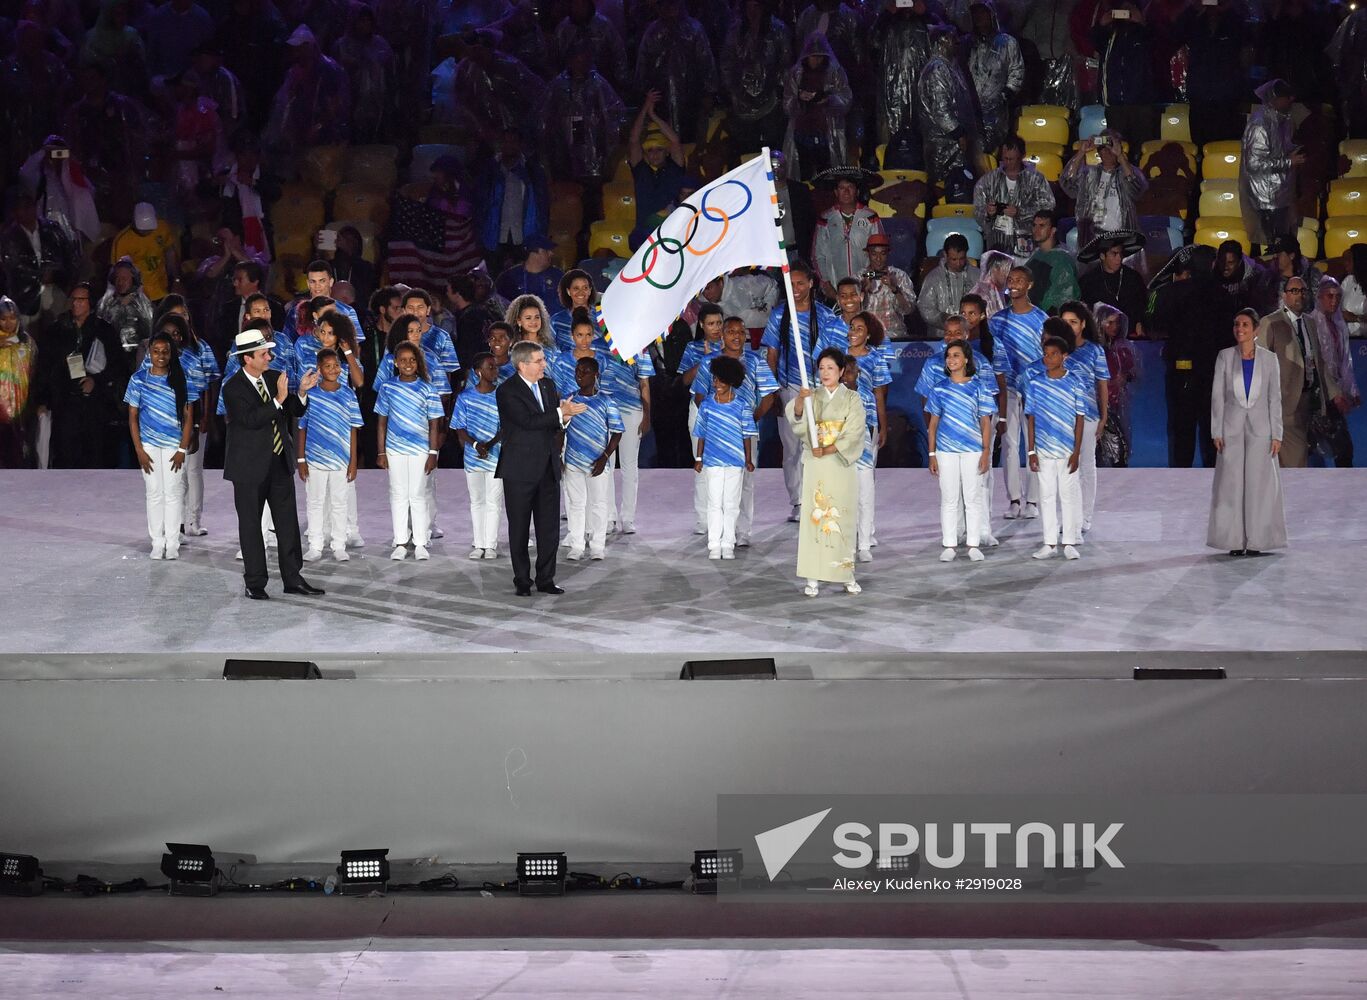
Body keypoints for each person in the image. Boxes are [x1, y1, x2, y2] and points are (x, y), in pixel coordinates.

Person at [222, 327, 323, 600]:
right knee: (252, 526)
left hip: (279, 463)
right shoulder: (232, 388)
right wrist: (279, 399)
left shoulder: (274, 377)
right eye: (264, 353)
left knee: (287, 524)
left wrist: (300, 392)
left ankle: (293, 578)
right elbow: (250, 420)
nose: (270, 357)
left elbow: (294, 409)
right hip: (249, 468)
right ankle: (255, 582)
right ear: (247, 358)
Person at [497, 340, 588, 596]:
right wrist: (560, 413)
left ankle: (546, 579)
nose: (544, 365)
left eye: (543, 360)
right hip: (520, 471)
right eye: (539, 361)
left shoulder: (548, 385)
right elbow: (527, 421)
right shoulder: (507, 391)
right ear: (523, 364)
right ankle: (522, 581)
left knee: (549, 529)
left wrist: (565, 419)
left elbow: (551, 424)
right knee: (519, 527)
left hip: (547, 467)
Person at [762, 261, 849, 520]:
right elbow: (772, 354)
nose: (796, 288)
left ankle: (819, 498)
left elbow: (836, 355)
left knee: (819, 446)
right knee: (791, 448)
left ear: (811, 283)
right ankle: (798, 501)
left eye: (801, 283)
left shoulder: (825, 316)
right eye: (791, 284)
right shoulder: (779, 315)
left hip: (820, 389)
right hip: (790, 389)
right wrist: (774, 391)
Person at [691, 316, 779, 548]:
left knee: (746, 481)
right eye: (731, 331)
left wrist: (752, 419)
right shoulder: (709, 362)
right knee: (716, 483)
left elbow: (769, 395)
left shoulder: (755, 361)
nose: (737, 336)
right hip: (717, 435)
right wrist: (715, 419)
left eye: (741, 332)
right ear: (722, 335)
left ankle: (742, 531)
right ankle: (717, 531)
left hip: (745, 434)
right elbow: (699, 395)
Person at [786, 347, 866, 596]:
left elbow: (854, 432)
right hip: (816, 463)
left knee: (841, 517)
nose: (825, 373)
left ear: (842, 371)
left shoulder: (852, 399)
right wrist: (800, 400)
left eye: (830, 368)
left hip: (839, 462)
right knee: (815, 518)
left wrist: (830, 448)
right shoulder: (812, 397)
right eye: (821, 368)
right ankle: (813, 577)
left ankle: (846, 574)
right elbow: (798, 422)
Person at [1208, 308, 1287, 555]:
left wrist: (1277, 434)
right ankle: (1233, 541)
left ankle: (1257, 541)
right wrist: (1216, 431)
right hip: (1231, 430)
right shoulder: (1224, 357)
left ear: (1255, 330)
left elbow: (1275, 399)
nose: (1239, 329)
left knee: (1260, 486)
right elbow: (1218, 397)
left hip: (1261, 430)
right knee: (1231, 485)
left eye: (1244, 325)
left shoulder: (1269, 359)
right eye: (1236, 324)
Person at [1149, 245, 1235, 468]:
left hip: (1181, 372)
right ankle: (1214, 484)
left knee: (1181, 431)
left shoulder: (1172, 291)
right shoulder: (1224, 295)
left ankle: (1180, 483)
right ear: (1212, 264)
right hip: (1212, 374)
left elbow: (1155, 323)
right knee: (1211, 431)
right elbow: (1230, 337)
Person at [33, 283, 124, 469]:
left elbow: (118, 366)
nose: (76, 303)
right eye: (73, 299)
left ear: (90, 303)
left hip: (95, 406)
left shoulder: (104, 331)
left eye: (81, 300)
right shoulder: (57, 330)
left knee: (94, 457)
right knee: (65, 456)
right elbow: (45, 366)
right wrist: (42, 400)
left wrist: (96, 381)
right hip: (65, 403)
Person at [125, 330, 196, 558]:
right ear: (149, 353)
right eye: (156, 352)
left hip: (174, 446)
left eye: (165, 352)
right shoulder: (138, 380)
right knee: (154, 493)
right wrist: (139, 450)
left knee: (174, 493)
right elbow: (133, 417)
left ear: (171, 353)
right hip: (149, 446)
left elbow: (188, 418)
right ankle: (157, 542)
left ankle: (173, 543)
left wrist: (182, 449)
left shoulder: (180, 379)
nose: (161, 356)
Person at [926, 339, 995, 563]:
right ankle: (949, 545)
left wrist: (985, 452)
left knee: (973, 497)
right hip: (946, 451)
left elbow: (985, 422)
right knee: (949, 498)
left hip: (972, 450)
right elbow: (933, 424)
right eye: (949, 356)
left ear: (966, 359)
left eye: (956, 355)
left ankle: (973, 544)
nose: (951, 359)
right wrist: (932, 454)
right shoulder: (939, 388)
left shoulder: (979, 387)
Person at [374, 341, 443, 561]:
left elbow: (434, 424)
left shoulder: (427, 388)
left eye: (412, 360)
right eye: (403, 360)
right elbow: (382, 422)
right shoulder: (387, 388)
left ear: (418, 362)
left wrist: (433, 453)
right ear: (395, 362)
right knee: (398, 494)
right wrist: (381, 452)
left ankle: (421, 542)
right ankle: (401, 541)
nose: (407, 364)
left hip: (420, 449)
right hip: (394, 449)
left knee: (418, 494)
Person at [1025, 323, 1086, 561]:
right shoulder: (1036, 383)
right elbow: (1031, 418)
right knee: (1046, 496)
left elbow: (1079, 420)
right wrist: (1031, 451)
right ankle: (1049, 542)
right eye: (1046, 354)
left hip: (1066, 449)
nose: (1048, 358)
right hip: (1043, 450)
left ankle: (1069, 541)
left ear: (1064, 356)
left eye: (1053, 354)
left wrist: (1076, 451)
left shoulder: (1075, 383)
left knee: (1067, 495)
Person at [991, 266, 1046, 519]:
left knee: (1033, 445)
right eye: (1011, 280)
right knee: (1010, 445)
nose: (1013, 284)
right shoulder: (997, 321)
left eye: (1019, 280)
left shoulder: (1042, 320)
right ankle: (1014, 499)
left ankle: (1033, 501)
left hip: (1034, 391)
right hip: (1008, 391)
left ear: (1029, 285)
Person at [297, 348, 362, 563]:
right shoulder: (311, 395)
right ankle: (315, 545)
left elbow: (353, 429)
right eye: (327, 366)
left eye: (336, 365)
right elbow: (302, 427)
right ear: (319, 369)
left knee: (339, 502)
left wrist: (353, 462)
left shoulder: (348, 394)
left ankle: (338, 544)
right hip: (314, 459)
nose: (333, 369)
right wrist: (301, 459)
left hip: (340, 460)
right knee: (315, 502)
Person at [694, 354, 758, 560]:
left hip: (735, 460)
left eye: (721, 380)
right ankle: (714, 543)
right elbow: (701, 434)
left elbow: (747, 434)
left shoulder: (742, 406)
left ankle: (728, 543)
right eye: (714, 379)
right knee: (714, 501)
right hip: (712, 460)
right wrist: (698, 458)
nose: (716, 383)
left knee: (731, 503)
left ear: (732, 381)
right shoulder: (706, 406)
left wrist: (748, 459)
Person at [1256, 276, 1324, 468]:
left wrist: (1334, 394)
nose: (1299, 295)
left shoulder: (1310, 323)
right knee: (1296, 460)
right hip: (1281, 404)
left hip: (1306, 400)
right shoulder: (1270, 322)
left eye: (1303, 291)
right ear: (1284, 295)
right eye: (1294, 291)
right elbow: (1257, 365)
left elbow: (1320, 363)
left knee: (1285, 462)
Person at [1056, 302, 1110, 532]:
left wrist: (1104, 416)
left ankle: (1085, 516)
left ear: (1083, 324)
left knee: (1087, 465)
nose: (1069, 326)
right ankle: (1068, 516)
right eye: (1065, 322)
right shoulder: (1055, 350)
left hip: (1087, 417)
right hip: (1060, 417)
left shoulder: (1094, 351)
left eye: (1074, 322)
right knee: (1063, 468)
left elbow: (1102, 384)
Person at [842, 312, 891, 560]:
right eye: (852, 327)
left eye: (859, 328)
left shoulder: (876, 358)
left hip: (867, 422)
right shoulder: (838, 355)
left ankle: (866, 532)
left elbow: (880, 394)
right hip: (841, 426)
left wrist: (883, 426)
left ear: (868, 334)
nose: (853, 331)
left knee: (866, 479)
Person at [720, 0, 793, 157]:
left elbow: (785, 64)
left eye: (758, 6)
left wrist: (776, 92)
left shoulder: (779, 30)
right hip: (741, 105)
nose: (754, 11)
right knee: (745, 151)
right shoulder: (735, 31)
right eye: (750, 6)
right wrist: (736, 93)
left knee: (773, 150)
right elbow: (727, 65)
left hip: (772, 104)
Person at [1239, 79, 1304, 253]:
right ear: (1275, 99)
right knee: (1274, 247)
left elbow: (1279, 148)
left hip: (1279, 193)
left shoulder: (1281, 119)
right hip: (1266, 199)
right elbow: (1254, 164)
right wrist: (1289, 162)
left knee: (1283, 243)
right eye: (1287, 98)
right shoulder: (1260, 125)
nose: (1291, 101)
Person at [452, 352, 504, 560]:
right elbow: (459, 427)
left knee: (494, 501)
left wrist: (489, 445)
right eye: (490, 367)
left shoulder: (501, 395)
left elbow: (506, 426)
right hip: (473, 458)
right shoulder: (465, 397)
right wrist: (475, 445)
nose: (495, 370)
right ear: (478, 372)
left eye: (495, 367)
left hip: (496, 455)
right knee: (477, 501)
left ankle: (490, 544)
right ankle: (479, 543)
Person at [781, 33, 853, 182]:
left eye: (820, 56)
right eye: (813, 56)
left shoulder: (835, 72)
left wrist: (829, 100)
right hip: (801, 133)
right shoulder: (796, 73)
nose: (816, 60)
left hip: (826, 134)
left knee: (827, 175)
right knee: (804, 175)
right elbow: (787, 105)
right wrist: (799, 99)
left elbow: (846, 98)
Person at [919, 24, 978, 203]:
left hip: (952, 144)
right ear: (942, 42)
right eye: (953, 39)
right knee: (944, 188)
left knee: (958, 187)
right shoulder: (937, 69)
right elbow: (941, 109)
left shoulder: (948, 67)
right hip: (944, 146)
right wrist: (958, 133)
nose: (957, 43)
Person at [1059, 132, 1148, 250]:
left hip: (1121, 239)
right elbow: (1067, 182)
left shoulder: (1128, 171)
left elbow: (1136, 189)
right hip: (1092, 239)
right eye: (1102, 148)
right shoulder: (1089, 175)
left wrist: (1120, 156)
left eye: (1109, 148)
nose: (1106, 152)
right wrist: (1081, 152)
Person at [1307, 278, 1360, 467]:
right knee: (1319, 447)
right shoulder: (1311, 323)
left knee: (1342, 449)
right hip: (1317, 395)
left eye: (1338, 297)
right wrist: (1332, 392)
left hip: (1334, 393)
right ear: (1319, 297)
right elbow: (1316, 364)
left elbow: (1345, 359)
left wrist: (1351, 390)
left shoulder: (1338, 324)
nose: (1334, 301)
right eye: (1330, 296)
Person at [973, 135, 1055, 258]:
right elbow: (977, 209)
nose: (1008, 162)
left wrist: (1020, 212)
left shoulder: (1036, 179)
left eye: (1012, 159)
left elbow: (1048, 206)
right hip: (997, 243)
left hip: (1027, 245)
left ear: (1022, 156)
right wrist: (988, 212)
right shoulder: (988, 180)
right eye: (1005, 158)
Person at [811, 171, 885, 298]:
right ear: (836, 192)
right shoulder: (826, 219)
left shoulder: (870, 217)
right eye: (841, 188)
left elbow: (880, 253)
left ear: (857, 192)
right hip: (835, 288)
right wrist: (826, 285)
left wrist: (869, 279)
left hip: (865, 287)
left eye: (850, 187)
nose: (846, 191)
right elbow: (818, 255)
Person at [967, 1, 1025, 155]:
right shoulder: (968, 44)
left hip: (997, 111)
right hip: (971, 111)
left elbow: (1017, 72)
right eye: (976, 14)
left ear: (992, 15)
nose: (979, 17)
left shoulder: (1007, 43)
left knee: (995, 152)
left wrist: (1004, 96)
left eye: (983, 13)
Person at [1078, 231, 1148, 336]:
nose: (1119, 258)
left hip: (1131, 336)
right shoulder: (1089, 281)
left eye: (1121, 253)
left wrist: (1140, 323)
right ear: (1102, 256)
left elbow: (1143, 305)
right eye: (1114, 254)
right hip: (1100, 338)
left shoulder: (1133, 278)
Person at [0, 299, 39, 468]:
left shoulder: (27, 343)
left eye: (12, 318)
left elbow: (35, 374)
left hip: (21, 411)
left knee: (17, 456)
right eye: (3, 318)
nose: (8, 323)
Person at [918, 235, 982, 336]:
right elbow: (925, 308)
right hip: (941, 336)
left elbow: (986, 304)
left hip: (971, 335)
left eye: (962, 259)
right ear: (945, 254)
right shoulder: (934, 278)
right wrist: (944, 318)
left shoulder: (978, 276)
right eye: (954, 259)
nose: (958, 264)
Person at [859, 234, 917, 341]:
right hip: (866, 338)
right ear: (868, 254)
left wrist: (895, 289)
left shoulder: (899, 276)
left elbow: (909, 309)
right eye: (874, 254)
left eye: (883, 253)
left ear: (888, 253)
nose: (878, 259)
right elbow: (851, 312)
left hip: (895, 338)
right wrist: (863, 290)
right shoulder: (858, 277)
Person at [1025, 210, 1080, 311]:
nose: (1036, 230)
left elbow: (1064, 298)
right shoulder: (1037, 255)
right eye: (1034, 225)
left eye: (1042, 226)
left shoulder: (1062, 260)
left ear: (1053, 230)